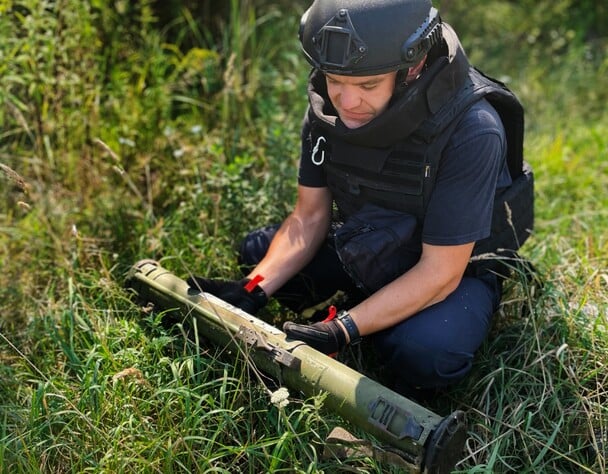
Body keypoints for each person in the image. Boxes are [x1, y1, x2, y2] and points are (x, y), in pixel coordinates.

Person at [188, 0, 533, 395]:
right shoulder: (328, 107)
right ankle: (369, 305)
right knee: (256, 254)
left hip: (452, 268)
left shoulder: (471, 130)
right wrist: (252, 289)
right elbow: (309, 217)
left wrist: (342, 329)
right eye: (334, 80)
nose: (346, 102)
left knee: (424, 354)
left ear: (412, 68)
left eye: (368, 86)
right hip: (371, 240)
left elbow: (441, 272)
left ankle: (383, 322)